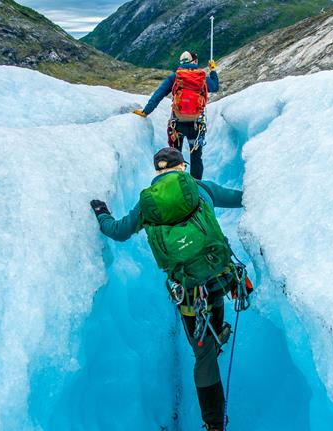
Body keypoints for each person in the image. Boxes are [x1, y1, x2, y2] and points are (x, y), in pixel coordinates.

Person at [90, 147, 248, 431]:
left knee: (203, 355)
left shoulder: (147, 205)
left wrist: (102, 213)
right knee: (213, 316)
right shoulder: (201, 189)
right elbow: (241, 198)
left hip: (188, 291)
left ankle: (213, 424)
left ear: (157, 171)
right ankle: (217, 333)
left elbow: (118, 231)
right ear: (182, 167)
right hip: (218, 276)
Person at [133, 51, 219, 180]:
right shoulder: (201, 77)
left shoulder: (175, 77)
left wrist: (146, 111)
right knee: (196, 157)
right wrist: (212, 70)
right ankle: (195, 186)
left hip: (177, 124)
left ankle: (175, 182)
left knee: (173, 156)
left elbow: (158, 95)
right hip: (197, 125)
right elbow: (215, 87)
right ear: (194, 62)